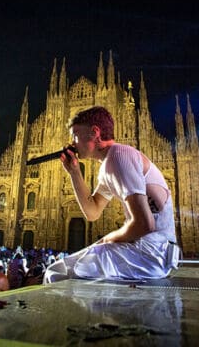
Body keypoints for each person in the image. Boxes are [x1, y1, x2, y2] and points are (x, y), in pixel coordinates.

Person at [43, 106, 179, 284]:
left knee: (57, 273)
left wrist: (107, 239)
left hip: (149, 255)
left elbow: (145, 224)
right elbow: (92, 212)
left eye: (75, 135)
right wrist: (75, 173)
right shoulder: (110, 163)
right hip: (149, 252)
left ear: (95, 132)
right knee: (63, 268)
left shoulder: (119, 157)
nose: (72, 142)